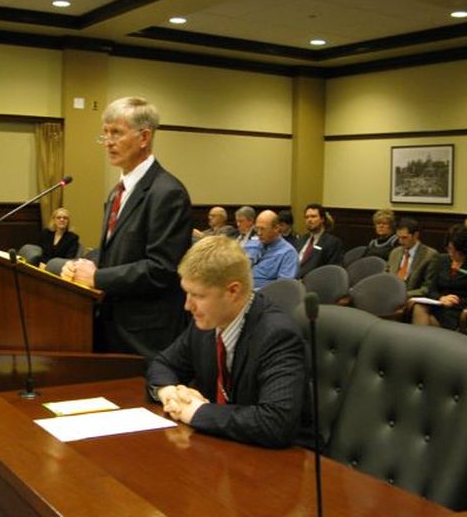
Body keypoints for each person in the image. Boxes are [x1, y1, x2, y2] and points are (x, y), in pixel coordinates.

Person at [146, 235, 307, 448]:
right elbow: (163, 363)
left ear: (233, 291)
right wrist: (170, 393)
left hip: (283, 462)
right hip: (224, 448)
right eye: (187, 294)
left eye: (198, 296)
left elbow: (275, 422)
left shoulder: (277, 335)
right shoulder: (207, 322)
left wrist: (194, 411)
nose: (187, 306)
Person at [61, 96, 192, 357]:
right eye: (105, 134)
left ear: (144, 137)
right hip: (110, 323)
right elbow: (114, 252)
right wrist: (80, 264)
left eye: (116, 133)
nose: (108, 142)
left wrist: (97, 277)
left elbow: (161, 269)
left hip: (144, 335)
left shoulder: (167, 192)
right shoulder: (116, 192)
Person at [412, 225, 467, 329]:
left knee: (426, 322)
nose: (451, 253)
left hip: (460, 311)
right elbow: (430, 289)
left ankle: (422, 343)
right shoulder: (441, 261)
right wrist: (441, 298)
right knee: (418, 307)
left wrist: (455, 301)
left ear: (464, 249)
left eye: (456, 251)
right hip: (439, 306)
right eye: (449, 249)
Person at [243, 210, 298, 289]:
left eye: (263, 229)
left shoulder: (288, 253)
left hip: (262, 296)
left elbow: (283, 287)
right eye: (257, 229)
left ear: (276, 228)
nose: (259, 233)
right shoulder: (253, 245)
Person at [386, 217, 437, 298]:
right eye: (398, 237)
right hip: (390, 294)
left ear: (416, 235)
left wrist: (403, 295)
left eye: (404, 238)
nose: (400, 242)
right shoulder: (395, 252)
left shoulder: (429, 255)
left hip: (410, 296)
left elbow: (427, 288)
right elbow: (386, 276)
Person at [296, 203, 343, 279]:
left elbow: (332, 270)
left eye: (313, 216)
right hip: (292, 278)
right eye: (307, 217)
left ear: (322, 219)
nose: (309, 220)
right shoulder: (301, 239)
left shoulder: (332, 242)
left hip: (312, 280)